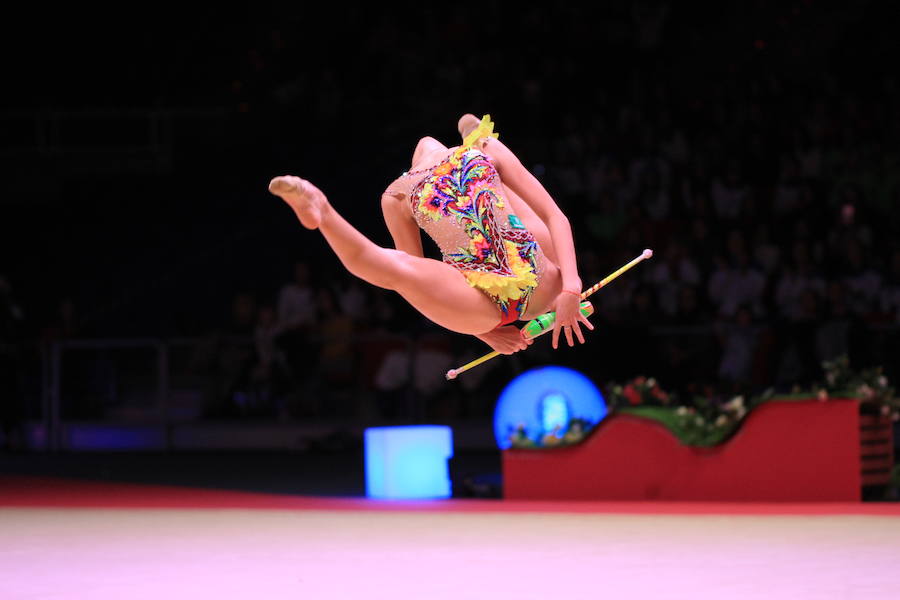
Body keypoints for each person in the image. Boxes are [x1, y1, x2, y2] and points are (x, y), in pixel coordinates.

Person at [268, 115, 592, 356]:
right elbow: (555, 216)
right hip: (521, 282)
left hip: (483, 301)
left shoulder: (396, 194)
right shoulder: (476, 151)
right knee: (399, 271)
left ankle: (324, 213)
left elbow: (413, 278)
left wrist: (484, 330)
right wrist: (570, 287)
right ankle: (321, 211)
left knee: (395, 270)